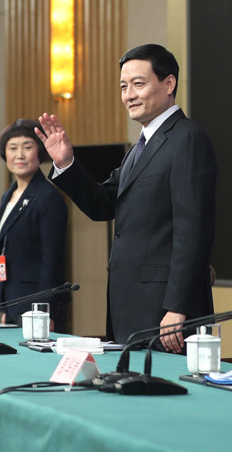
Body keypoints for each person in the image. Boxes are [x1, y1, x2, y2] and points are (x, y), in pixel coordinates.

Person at [36, 44, 217, 352]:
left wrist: (178, 307)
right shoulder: (140, 148)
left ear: (169, 84)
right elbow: (103, 204)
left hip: (166, 312)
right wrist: (66, 164)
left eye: (138, 84)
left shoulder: (187, 138)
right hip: (130, 306)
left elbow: (194, 232)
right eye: (123, 86)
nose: (129, 95)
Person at [0, 119, 68, 327]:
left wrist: (46, 310)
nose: (20, 155)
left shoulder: (48, 196)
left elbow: (52, 260)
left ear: (39, 152)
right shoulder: (7, 196)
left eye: (27, 147)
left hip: (37, 308)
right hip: (11, 304)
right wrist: (4, 307)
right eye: (12, 148)